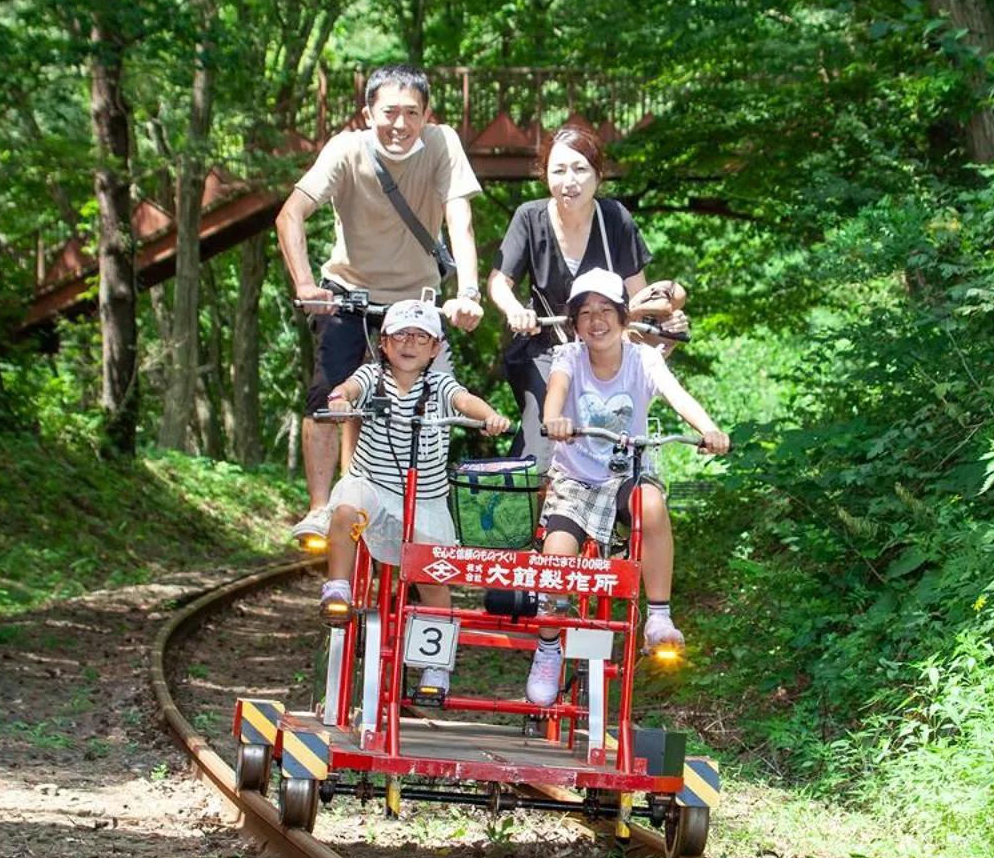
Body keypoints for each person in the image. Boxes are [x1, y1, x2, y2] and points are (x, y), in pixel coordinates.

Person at [277, 65, 486, 547]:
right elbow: (290, 214)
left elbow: (460, 218)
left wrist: (469, 294)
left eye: (412, 113)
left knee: (432, 404)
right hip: (349, 294)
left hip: (418, 301)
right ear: (368, 112)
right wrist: (307, 285)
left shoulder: (441, 144)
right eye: (389, 111)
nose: (400, 123)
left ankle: (420, 505)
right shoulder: (346, 149)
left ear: (427, 115)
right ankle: (319, 507)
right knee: (329, 396)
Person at [527, 269, 728, 706]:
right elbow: (555, 395)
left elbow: (679, 396)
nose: (596, 321)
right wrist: (555, 418)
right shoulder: (568, 358)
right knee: (557, 554)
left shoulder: (644, 359)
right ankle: (546, 647)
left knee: (651, 503)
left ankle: (658, 616)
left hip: (625, 473)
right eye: (585, 314)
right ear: (574, 323)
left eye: (605, 311)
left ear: (623, 317)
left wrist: (710, 429)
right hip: (575, 480)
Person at [319, 299, 510, 698]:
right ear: (384, 343)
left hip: (425, 500)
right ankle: (338, 589)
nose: (409, 344)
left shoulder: (439, 385)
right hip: (374, 486)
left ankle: (435, 665)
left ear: (435, 348)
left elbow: (464, 401)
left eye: (420, 337)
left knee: (434, 575)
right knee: (345, 507)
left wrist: (489, 415)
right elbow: (349, 389)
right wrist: (341, 399)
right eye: (400, 335)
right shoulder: (373, 376)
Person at [487, 126, 687, 472]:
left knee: (614, 435)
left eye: (580, 170)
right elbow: (499, 282)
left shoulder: (615, 220)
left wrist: (661, 324)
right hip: (547, 349)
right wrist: (515, 309)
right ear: (545, 174)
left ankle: (616, 512)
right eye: (559, 170)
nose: (570, 181)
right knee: (545, 431)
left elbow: (636, 301)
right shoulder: (530, 218)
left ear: (598, 174)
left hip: (604, 349)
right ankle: (531, 517)